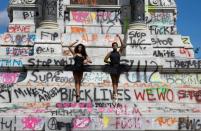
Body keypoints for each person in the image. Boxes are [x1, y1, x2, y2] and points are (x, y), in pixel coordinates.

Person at [104, 34, 126, 102]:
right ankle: (115, 94)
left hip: (118, 67)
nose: (115, 46)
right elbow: (105, 59)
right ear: (112, 47)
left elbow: (123, 45)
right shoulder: (110, 53)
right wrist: (109, 62)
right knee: (114, 81)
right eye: (114, 46)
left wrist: (119, 37)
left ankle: (114, 93)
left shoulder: (119, 52)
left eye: (116, 45)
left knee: (117, 81)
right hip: (112, 67)